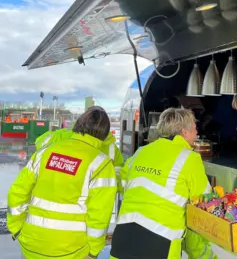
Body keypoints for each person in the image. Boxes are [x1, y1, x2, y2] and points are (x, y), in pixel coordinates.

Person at [7, 106, 117, 259]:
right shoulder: (101, 164)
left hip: (31, 244)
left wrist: (16, 228)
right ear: (105, 134)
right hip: (72, 250)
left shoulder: (45, 152)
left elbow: (17, 192)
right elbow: (99, 216)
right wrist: (93, 252)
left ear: (77, 125)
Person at [110, 107, 217, 259]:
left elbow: (124, 185)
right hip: (160, 243)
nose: (197, 133)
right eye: (194, 128)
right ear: (184, 132)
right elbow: (204, 206)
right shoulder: (190, 159)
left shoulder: (141, 151)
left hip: (123, 236)